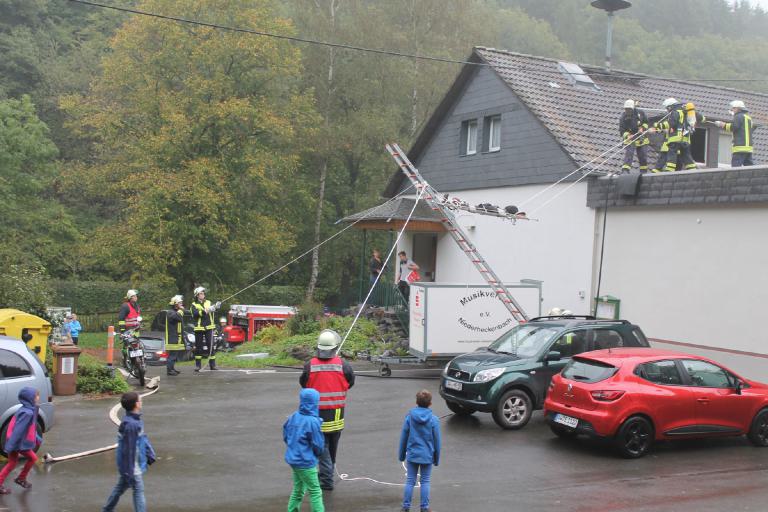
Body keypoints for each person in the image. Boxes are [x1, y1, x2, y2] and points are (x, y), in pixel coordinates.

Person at [300, 330, 355, 491]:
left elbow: (304, 384)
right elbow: (350, 382)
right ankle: (328, 471)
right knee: (332, 446)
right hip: (337, 414)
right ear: (334, 347)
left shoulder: (310, 366)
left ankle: (326, 478)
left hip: (317, 415)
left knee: (320, 447)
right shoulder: (343, 365)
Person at [101, 392, 155, 512]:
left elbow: (142, 438)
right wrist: (129, 471)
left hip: (128, 466)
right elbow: (129, 449)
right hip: (131, 466)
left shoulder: (133, 420)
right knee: (138, 490)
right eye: (140, 400)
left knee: (120, 488)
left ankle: (107, 509)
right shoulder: (131, 424)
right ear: (136, 404)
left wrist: (149, 453)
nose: (141, 401)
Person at [398, 389, 441, 512]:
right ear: (430, 403)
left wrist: (401, 456)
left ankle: (406, 507)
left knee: (410, 481)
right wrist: (436, 459)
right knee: (425, 481)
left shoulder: (409, 418)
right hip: (427, 456)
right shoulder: (434, 420)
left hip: (412, 455)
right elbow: (437, 442)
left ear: (416, 402)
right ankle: (424, 508)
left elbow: (403, 438)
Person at [283, 388, 326, 512]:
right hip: (306, 462)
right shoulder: (313, 422)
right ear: (315, 403)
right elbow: (318, 445)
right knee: (315, 491)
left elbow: (286, 436)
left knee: (298, 489)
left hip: (294, 460)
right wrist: (318, 454)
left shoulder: (293, 417)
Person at [0, 387, 43, 494]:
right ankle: (21, 478)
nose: (38, 397)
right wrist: (10, 446)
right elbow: (18, 431)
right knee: (33, 458)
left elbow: (30, 428)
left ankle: (19, 479)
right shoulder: (27, 413)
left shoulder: (27, 409)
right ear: (30, 398)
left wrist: (37, 438)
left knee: (12, 463)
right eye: (36, 396)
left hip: (17, 442)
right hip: (18, 443)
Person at [659, 98, 696, 172]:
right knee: (686, 156)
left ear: (670, 106)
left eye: (667, 108)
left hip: (675, 139)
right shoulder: (685, 111)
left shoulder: (675, 112)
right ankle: (692, 170)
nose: (667, 110)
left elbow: (671, 123)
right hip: (685, 139)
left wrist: (660, 125)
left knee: (672, 154)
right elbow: (699, 117)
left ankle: (669, 170)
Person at [189, 286, 221, 373]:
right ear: (197, 295)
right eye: (201, 293)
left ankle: (213, 365)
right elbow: (195, 314)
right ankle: (198, 365)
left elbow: (212, 311)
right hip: (199, 328)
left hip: (209, 327)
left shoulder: (208, 302)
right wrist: (206, 310)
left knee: (211, 346)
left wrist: (216, 307)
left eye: (203, 293)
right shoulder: (193, 305)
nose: (203, 295)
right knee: (199, 348)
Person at [716, 100, 754, 167]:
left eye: (733, 108)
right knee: (750, 168)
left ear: (738, 108)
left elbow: (734, 127)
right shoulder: (748, 118)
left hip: (740, 148)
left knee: (735, 168)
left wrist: (723, 125)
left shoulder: (738, 116)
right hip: (748, 148)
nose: (732, 109)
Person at [619, 99, 649, 173]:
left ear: (633, 108)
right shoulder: (623, 117)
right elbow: (622, 130)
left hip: (641, 138)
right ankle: (625, 170)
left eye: (629, 109)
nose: (628, 111)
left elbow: (646, 123)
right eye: (626, 109)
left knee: (643, 156)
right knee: (629, 154)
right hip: (630, 138)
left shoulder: (640, 113)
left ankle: (643, 171)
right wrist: (628, 135)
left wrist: (643, 128)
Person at [164, 295, 185, 376]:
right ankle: (169, 370)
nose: (181, 304)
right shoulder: (170, 312)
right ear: (175, 304)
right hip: (172, 338)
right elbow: (178, 317)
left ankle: (172, 369)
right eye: (180, 303)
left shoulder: (175, 312)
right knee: (172, 355)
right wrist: (181, 310)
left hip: (176, 337)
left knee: (174, 355)